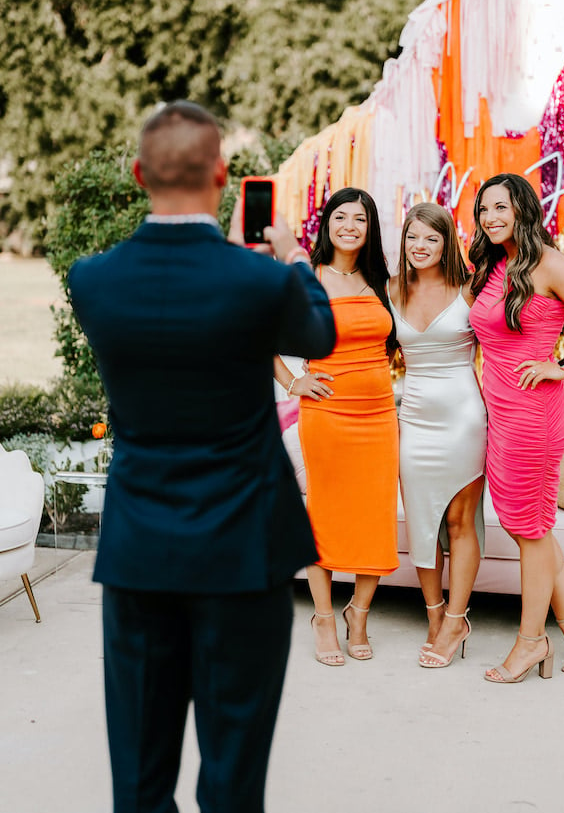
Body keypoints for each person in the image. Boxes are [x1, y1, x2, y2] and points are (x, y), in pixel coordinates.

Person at [68, 101, 336, 813]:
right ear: (223, 174)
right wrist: (298, 259)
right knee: (233, 776)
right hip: (243, 549)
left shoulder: (92, 280)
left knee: (140, 778)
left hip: (139, 552)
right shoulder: (262, 281)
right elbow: (318, 336)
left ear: (136, 174)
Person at [469, 173, 564, 683]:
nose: (491, 218)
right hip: (504, 415)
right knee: (527, 527)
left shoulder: (550, 264)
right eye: (484, 209)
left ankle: (531, 643)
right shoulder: (496, 263)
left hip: (536, 417)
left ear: (523, 210)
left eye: (501, 208)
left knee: (529, 530)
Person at [274, 187, 399, 665]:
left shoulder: (381, 281)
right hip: (327, 416)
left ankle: (358, 614)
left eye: (360, 219)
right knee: (323, 518)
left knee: (376, 516)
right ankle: (324, 619)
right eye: (341, 217)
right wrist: (294, 382)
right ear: (327, 224)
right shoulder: (309, 277)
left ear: (371, 229)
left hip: (380, 416)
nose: (350, 225)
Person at [388, 202, 487, 668]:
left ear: (447, 242)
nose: (420, 246)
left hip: (464, 417)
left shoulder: (471, 289)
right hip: (414, 417)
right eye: (413, 237)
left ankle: (456, 619)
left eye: (431, 238)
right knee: (422, 522)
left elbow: (510, 341)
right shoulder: (390, 289)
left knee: (459, 522)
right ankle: (435, 618)